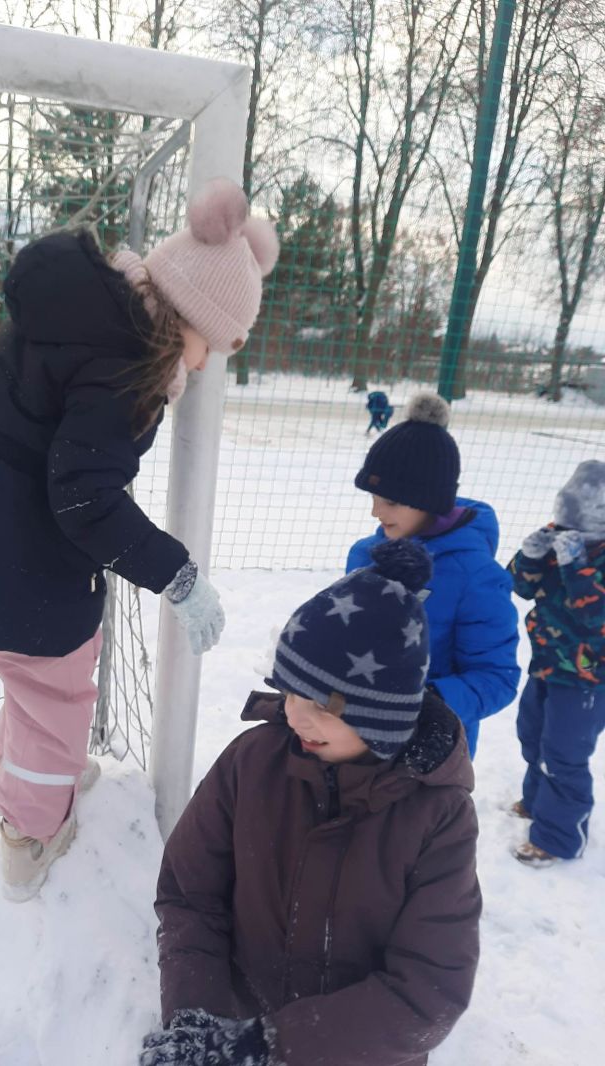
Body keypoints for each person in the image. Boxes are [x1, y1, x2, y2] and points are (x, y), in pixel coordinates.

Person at [0, 177, 279, 901]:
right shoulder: (122, 366)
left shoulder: (84, 324)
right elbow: (84, 497)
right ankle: (30, 835)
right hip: (21, 562)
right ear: (187, 317)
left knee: (35, 686)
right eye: (210, 346)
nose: (202, 365)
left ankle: (29, 777)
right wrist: (177, 575)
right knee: (56, 698)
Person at [140, 539, 481, 1066]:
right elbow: (191, 894)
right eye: (291, 690)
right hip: (236, 1026)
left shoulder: (437, 814)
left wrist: (271, 1046)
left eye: (322, 705)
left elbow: (428, 991)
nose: (297, 716)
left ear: (383, 715)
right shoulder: (251, 764)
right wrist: (198, 1020)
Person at [346, 391, 519, 758]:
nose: (375, 512)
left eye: (390, 501)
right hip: (356, 737)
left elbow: (496, 678)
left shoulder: (475, 577)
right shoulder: (365, 554)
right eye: (373, 498)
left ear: (429, 500)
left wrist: (424, 705)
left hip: (428, 751)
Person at [508, 460, 605, 867]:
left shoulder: (586, 552)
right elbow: (520, 587)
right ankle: (536, 802)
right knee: (532, 736)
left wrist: (576, 565)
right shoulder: (560, 537)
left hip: (588, 678)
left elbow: (595, 615)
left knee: (564, 753)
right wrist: (529, 557)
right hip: (547, 663)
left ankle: (559, 838)